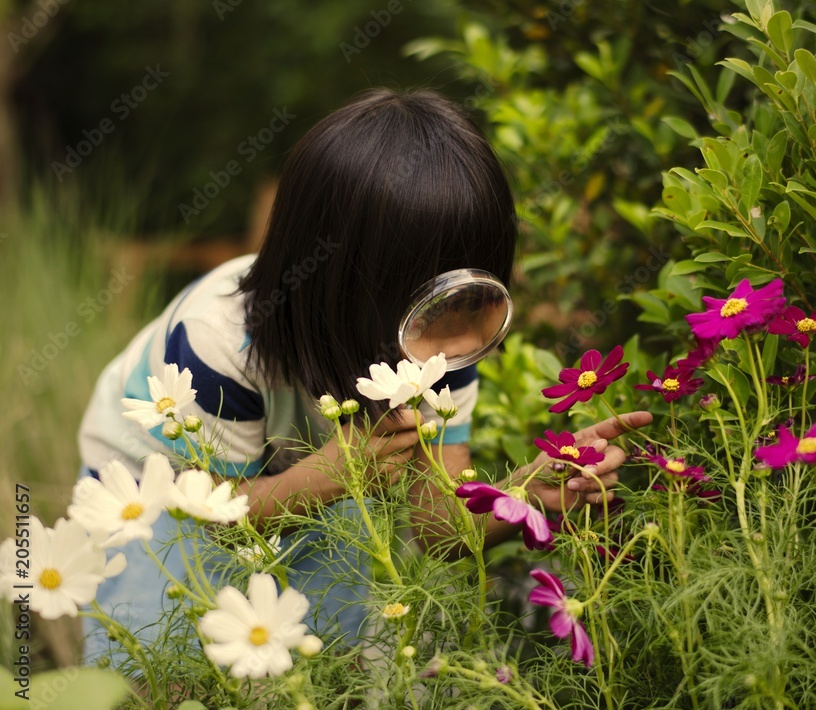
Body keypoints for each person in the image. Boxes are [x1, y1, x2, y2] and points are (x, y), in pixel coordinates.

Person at [77, 87, 651, 663]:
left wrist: (528, 493)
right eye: (436, 307)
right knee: (159, 648)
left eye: (476, 302)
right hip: (161, 483)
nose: (457, 344)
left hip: (326, 466)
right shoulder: (214, 345)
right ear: (340, 287)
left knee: (338, 641)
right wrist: (335, 474)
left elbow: (437, 526)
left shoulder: (449, 349)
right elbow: (219, 518)